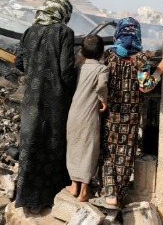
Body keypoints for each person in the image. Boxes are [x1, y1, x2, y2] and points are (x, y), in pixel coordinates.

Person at [91, 17, 163, 209]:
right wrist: (159, 70)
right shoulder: (141, 58)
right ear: (136, 34)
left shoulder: (109, 56)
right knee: (125, 155)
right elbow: (145, 87)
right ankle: (117, 197)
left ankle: (108, 193)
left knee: (108, 153)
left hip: (111, 114)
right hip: (131, 117)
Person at [14, 0, 76, 213]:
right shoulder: (64, 32)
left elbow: (19, 63)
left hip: (31, 99)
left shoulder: (29, 32)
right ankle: (48, 197)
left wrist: (34, 72)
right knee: (53, 144)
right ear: (63, 12)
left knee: (30, 144)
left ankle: (26, 198)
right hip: (56, 101)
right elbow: (67, 70)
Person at [65, 34, 109, 202]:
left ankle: (73, 185)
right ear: (102, 53)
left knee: (74, 146)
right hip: (89, 115)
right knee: (89, 149)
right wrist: (103, 100)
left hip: (73, 114)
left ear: (82, 52)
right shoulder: (102, 69)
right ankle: (84, 190)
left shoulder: (79, 68)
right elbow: (102, 85)